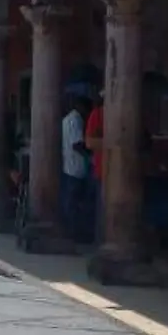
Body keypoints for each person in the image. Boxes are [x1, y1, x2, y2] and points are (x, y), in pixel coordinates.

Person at [61, 95, 96, 243]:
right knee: (74, 202)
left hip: (71, 166)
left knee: (72, 201)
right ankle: (73, 233)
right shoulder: (75, 120)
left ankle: (73, 232)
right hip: (76, 167)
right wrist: (91, 155)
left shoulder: (67, 119)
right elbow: (77, 144)